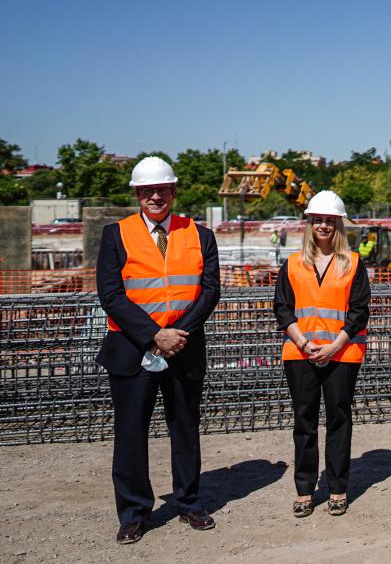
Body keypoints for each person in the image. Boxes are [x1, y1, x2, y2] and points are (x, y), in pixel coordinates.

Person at [96, 156, 221, 544]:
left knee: (184, 428)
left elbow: (210, 290)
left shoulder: (199, 234)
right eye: (148, 191)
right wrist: (154, 336)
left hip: (184, 347)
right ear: (137, 193)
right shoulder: (116, 234)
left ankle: (189, 502)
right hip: (132, 349)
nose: (156, 197)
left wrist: (176, 333)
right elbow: (111, 295)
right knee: (130, 433)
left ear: (173, 191)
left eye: (163, 190)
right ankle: (134, 513)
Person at [273, 190, 370, 518]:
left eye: (330, 220)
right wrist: (303, 343)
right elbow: (283, 309)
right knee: (304, 421)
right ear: (310, 223)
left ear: (339, 225)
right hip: (301, 353)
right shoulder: (293, 264)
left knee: (339, 419)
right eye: (319, 220)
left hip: (341, 354)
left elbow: (359, 312)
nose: (324, 225)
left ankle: (338, 487)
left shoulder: (354, 263)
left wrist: (333, 346)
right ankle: (304, 489)